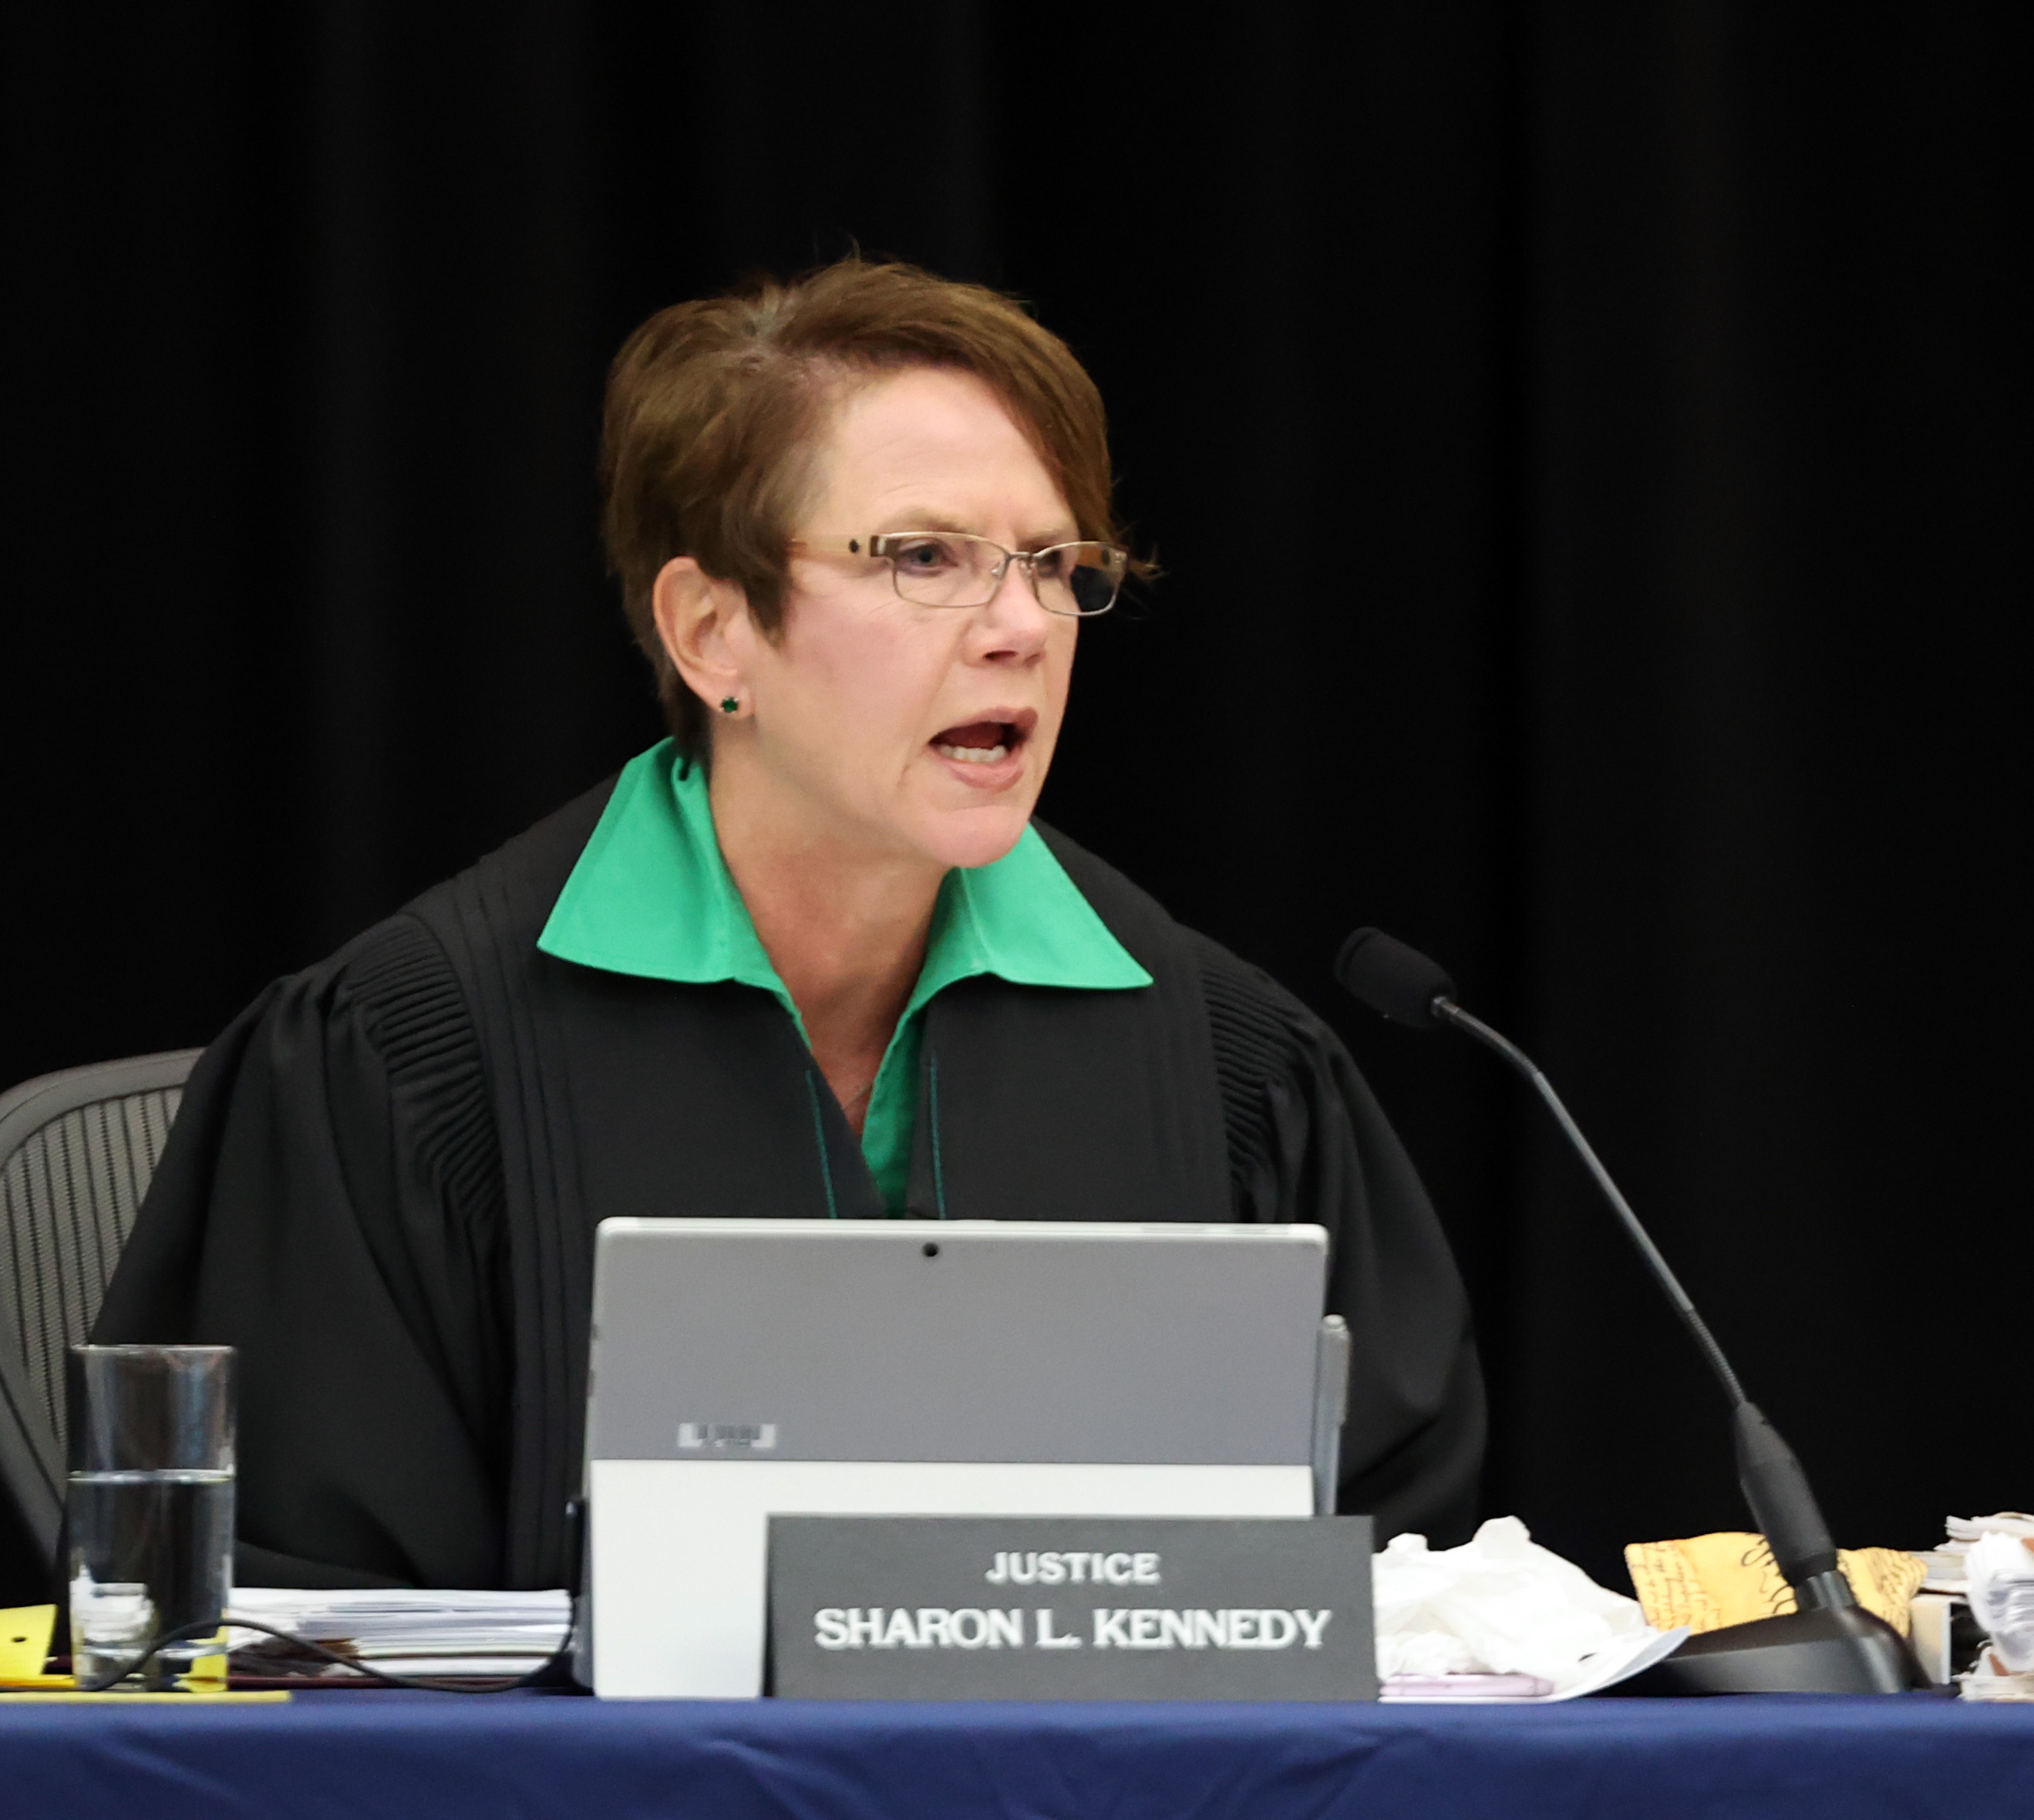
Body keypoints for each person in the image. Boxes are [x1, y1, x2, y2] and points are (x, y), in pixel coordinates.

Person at [93, 259, 1485, 1589]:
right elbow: (302, 1643)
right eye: (926, 556)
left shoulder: (1230, 1069)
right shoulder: (398, 1061)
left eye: (1056, 563)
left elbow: (1389, 1601)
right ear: (711, 632)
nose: (1021, 627)